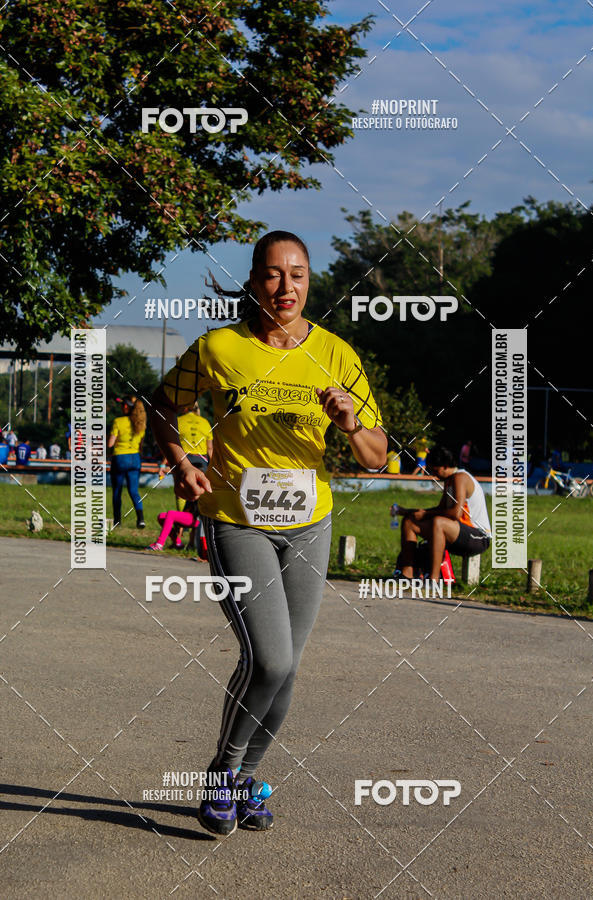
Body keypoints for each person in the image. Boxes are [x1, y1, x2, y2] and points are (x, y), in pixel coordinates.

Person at [150, 230, 387, 836]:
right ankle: (223, 775)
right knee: (271, 659)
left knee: (288, 666)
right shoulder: (220, 348)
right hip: (237, 521)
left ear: (311, 281)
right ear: (254, 280)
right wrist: (182, 463)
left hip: (310, 525)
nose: (287, 287)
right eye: (275, 274)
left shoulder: (336, 353)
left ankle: (247, 779)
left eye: (299, 274)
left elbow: (375, 457)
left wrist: (350, 421)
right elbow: (162, 408)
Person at [394, 446, 491, 582]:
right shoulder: (449, 480)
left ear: (445, 466)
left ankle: (433, 579)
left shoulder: (460, 478)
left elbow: (455, 513)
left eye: (436, 470)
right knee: (410, 522)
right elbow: (440, 509)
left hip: (478, 537)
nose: (435, 475)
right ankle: (407, 573)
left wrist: (425, 514)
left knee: (438, 522)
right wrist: (411, 512)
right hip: (456, 531)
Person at [159, 402, 213, 556]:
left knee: (183, 500)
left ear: (186, 408)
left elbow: (172, 444)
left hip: (185, 462)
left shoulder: (179, 420)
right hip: (202, 462)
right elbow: (210, 449)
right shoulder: (205, 423)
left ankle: (178, 538)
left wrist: (164, 463)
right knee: (199, 504)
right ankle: (192, 542)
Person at [108, 396, 147, 528]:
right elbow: (141, 446)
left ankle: (117, 521)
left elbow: (110, 443)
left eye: (123, 404)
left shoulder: (118, 421)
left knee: (117, 491)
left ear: (126, 407)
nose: (121, 407)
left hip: (120, 458)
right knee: (134, 491)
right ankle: (141, 519)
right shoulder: (141, 423)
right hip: (135, 458)